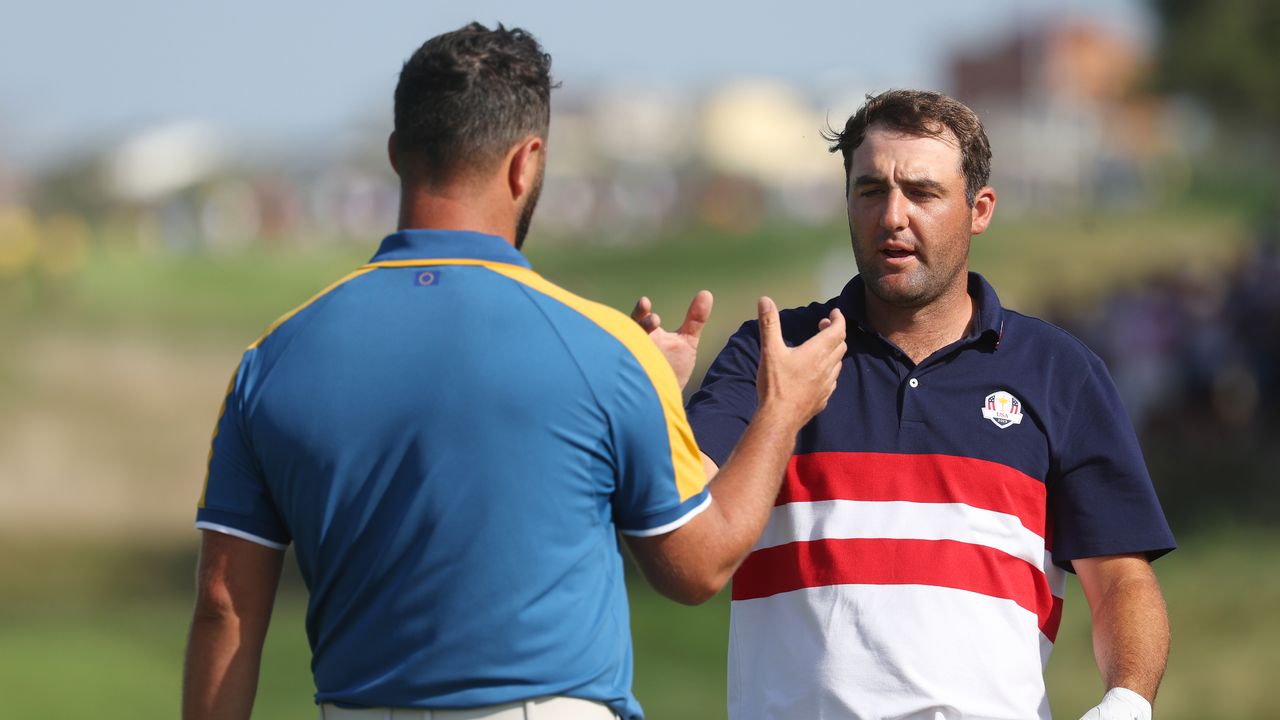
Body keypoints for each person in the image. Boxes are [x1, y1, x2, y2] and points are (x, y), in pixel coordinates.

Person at [181, 22, 846, 720]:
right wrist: (780, 410)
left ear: (396, 154)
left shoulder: (273, 358)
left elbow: (224, 605)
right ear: (527, 162)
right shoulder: (608, 352)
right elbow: (697, 566)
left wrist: (649, 404)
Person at [634, 90, 1175, 720]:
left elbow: (1121, 582)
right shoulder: (773, 350)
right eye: (870, 190)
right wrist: (656, 410)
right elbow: (692, 525)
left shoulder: (1059, 370)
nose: (892, 215)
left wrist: (1127, 703)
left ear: (979, 209)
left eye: (921, 192)